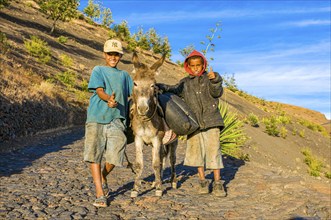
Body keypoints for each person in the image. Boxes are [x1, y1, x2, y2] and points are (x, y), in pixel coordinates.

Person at [156, 50, 225, 197]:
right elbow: (173, 89)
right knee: (196, 153)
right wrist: (159, 86)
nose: (195, 68)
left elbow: (217, 92)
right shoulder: (185, 83)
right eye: (192, 65)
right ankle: (202, 180)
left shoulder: (209, 79)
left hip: (212, 121)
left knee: (214, 151)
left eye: (198, 65)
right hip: (194, 124)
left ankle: (218, 182)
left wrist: (215, 79)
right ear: (188, 66)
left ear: (203, 65)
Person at [84, 39, 133, 207]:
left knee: (116, 154)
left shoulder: (125, 76)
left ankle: (103, 175)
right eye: (110, 54)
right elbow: (99, 90)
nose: (113, 57)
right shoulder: (98, 70)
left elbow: (135, 93)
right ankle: (100, 193)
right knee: (94, 154)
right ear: (104, 55)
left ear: (120, 56)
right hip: (97, 116)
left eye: (116, 54)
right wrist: (108, 100)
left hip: (118, 118)